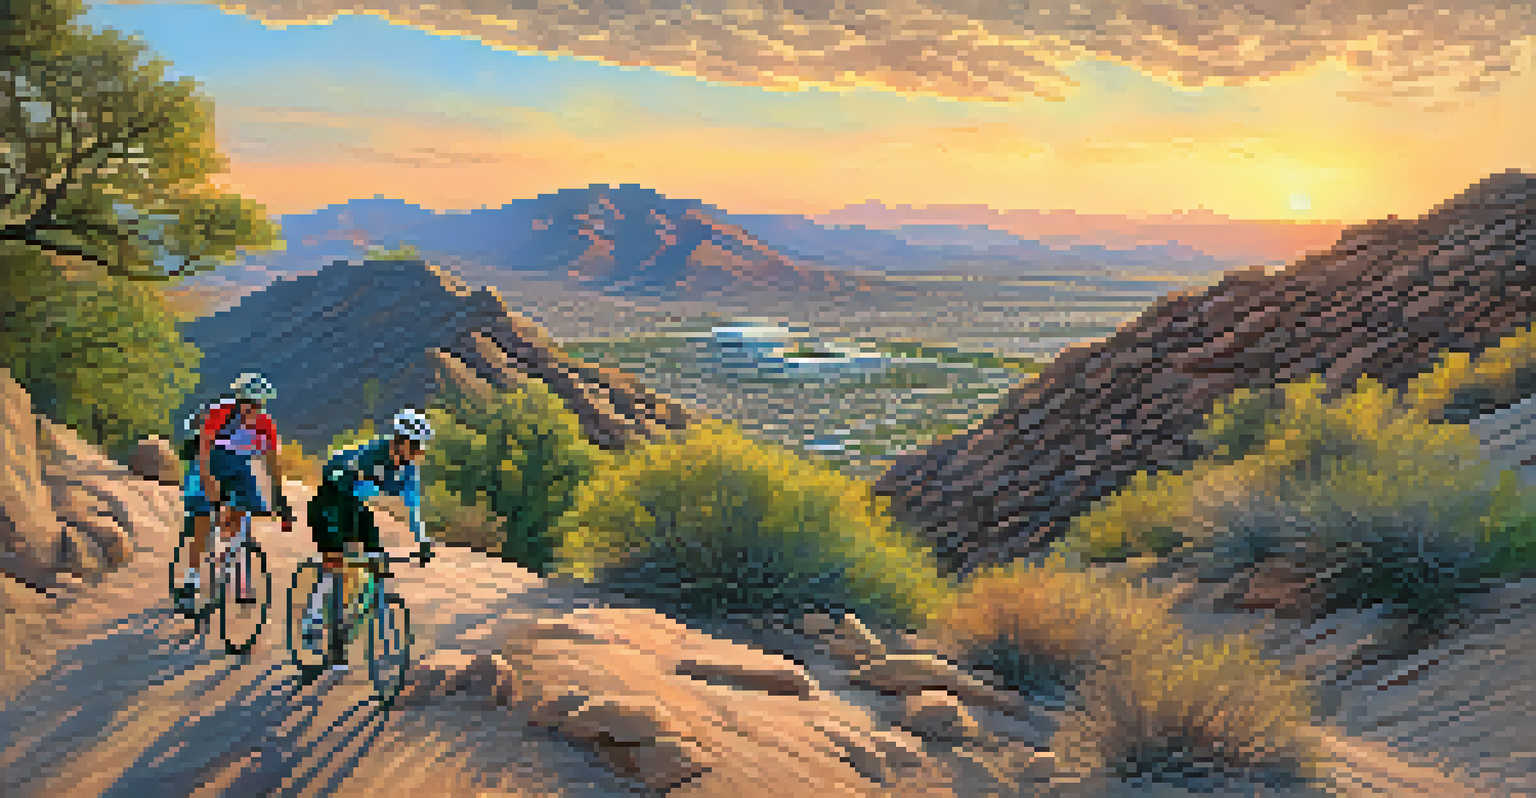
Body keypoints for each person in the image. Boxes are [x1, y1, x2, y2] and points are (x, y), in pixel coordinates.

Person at [301, 407, 435, 666]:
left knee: (377, 558)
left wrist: (422, 542)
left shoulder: (409, 471)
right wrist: (349, 542)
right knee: (337, 561)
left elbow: (413, 509)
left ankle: (356, 611)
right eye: (416, 446)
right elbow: (341, 487)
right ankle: (316, 618)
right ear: (400, 442)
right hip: (330, 501)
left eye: (421, 448)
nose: (420, 453)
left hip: (355, 505)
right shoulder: (369, 456)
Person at [198, 374, 290, 591]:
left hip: (241, 464)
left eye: (258, 405)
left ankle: (238, 563)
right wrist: (206, 476)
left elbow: (272, 463)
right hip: (215, 459)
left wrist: (279, 498)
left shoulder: (265, 423)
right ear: (239, 401)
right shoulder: (221, 413)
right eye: (249, 404)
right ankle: (220, 534)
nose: (254, 409)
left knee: (250, 506)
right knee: (221, 501)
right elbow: (204, 445)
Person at [173, 395, 233, 614]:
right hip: (200, 474)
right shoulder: (215, 420)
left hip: (224, 472)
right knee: (202, 524)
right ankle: (191, 582)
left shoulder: (248, 429)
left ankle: (228, 570)